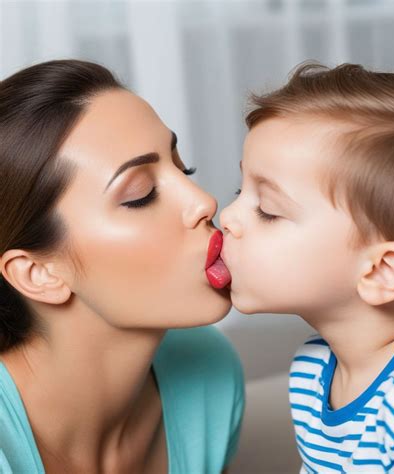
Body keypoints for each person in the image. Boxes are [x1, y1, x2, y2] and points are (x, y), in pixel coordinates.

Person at [220, 61, 394, 473]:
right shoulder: (315, 367)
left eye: (267, 210)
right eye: (239, 189)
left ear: (380, 271)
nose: (228, 216)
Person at [0, 59, 242, 474]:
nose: (204, 202)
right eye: (141, 194)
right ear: (38, 273)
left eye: (184, 168)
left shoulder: (211, 375)